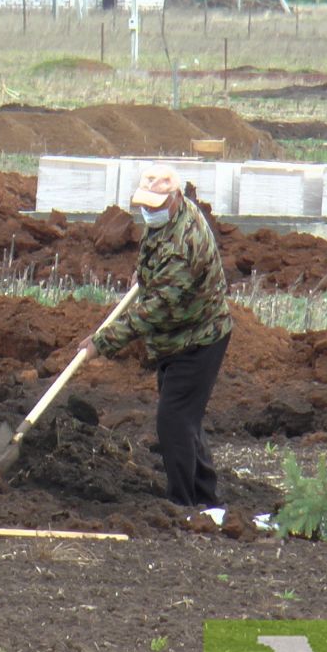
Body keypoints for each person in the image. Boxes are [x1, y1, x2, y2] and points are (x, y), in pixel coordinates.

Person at [81, 163, 233, 508]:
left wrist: (101, 343)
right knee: (185, 420)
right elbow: (157, 258)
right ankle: (204, 498)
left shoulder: (184, 246)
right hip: (178, 336)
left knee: (173, 422)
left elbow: (155, 310)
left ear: (176, 199)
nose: (148, 212)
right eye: (144, 205)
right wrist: (147, 272)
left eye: (155, 206)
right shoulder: (173, 216)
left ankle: (182, 504)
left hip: (198, 340)